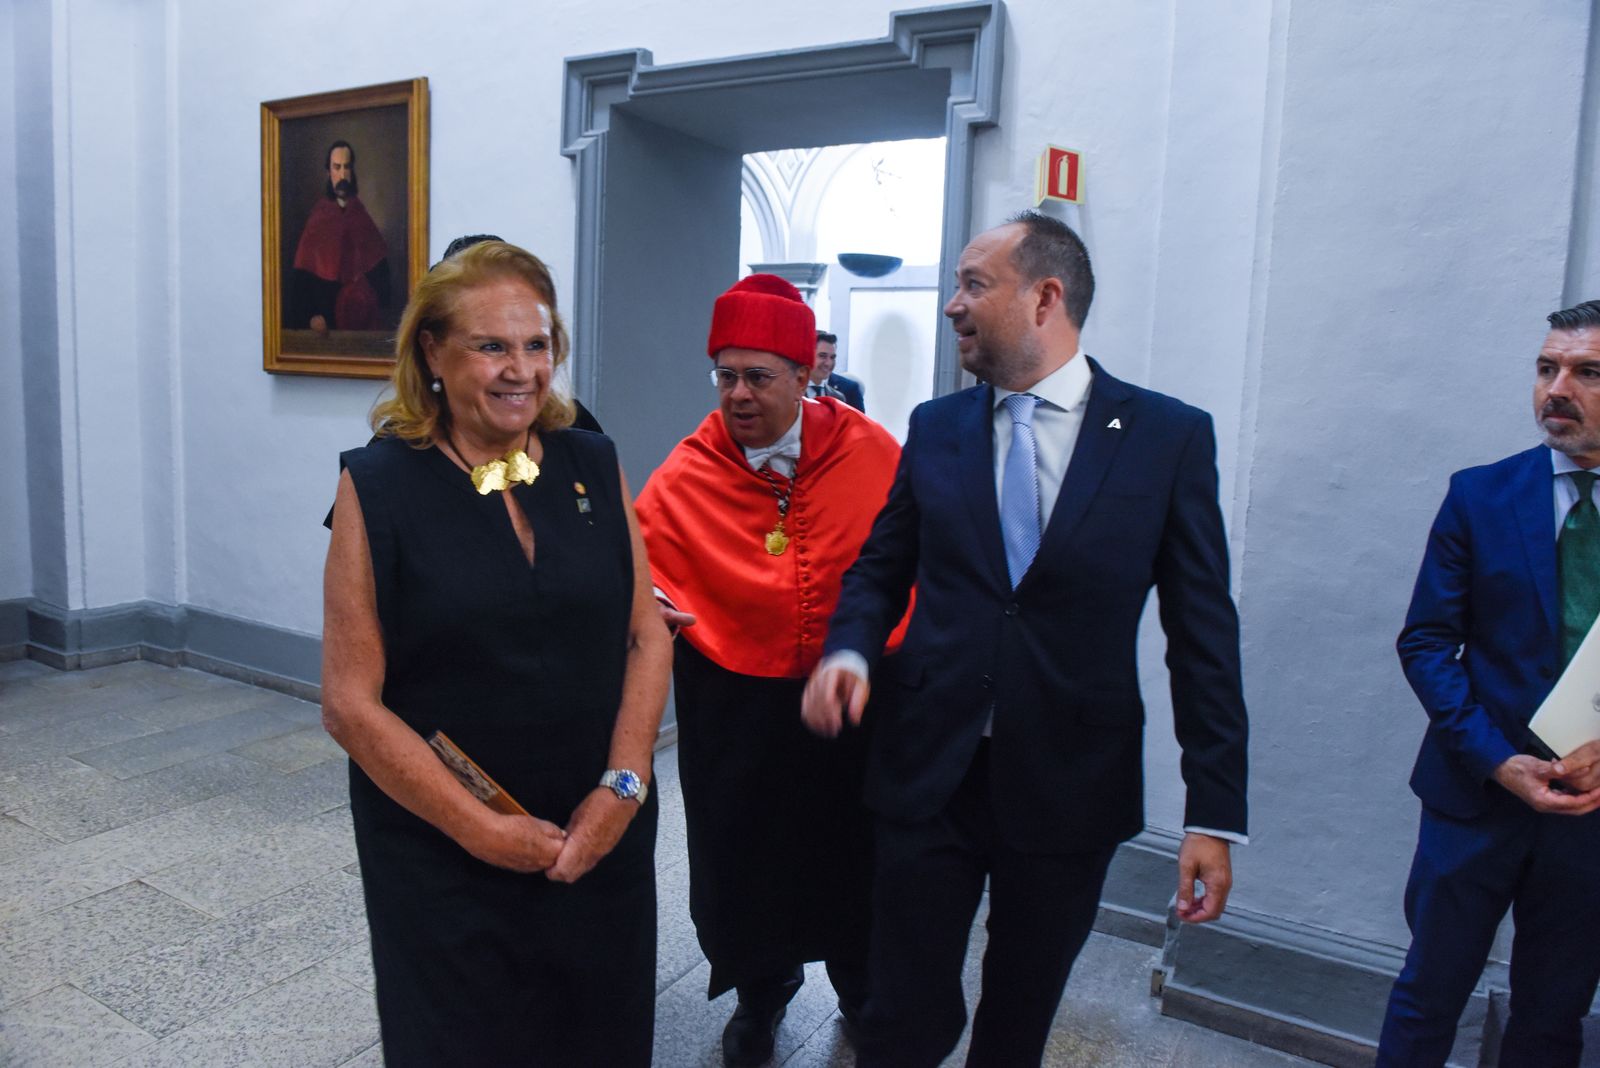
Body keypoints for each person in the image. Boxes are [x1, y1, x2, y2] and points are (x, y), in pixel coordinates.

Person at [803, 210, 1249, 1067]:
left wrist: (1213, 812)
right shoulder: (936, 428)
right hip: (928, 765)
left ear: (1046, 297)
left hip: (1070, 779)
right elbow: (880, 569)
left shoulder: (1165, 438)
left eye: (974, 283)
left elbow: (1203, 634)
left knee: (1020, 1011)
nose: (951, 306)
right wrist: (850, 650)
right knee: (900, 1009)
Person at [321, 239, 670, 1065]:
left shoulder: (591, 459)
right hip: (446, 857)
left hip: (600, 836)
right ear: (433, 354)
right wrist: (480, 830)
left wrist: (624, 787)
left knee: (600, 1038)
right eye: (492, 346)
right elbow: (350, 702)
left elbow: (647, 632)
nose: (522, 370)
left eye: (537, 344)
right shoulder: (377, 486)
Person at [634, 275, 908, 1066]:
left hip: (850, 698)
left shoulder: (870, 450)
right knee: (742, 856)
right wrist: (648, 597)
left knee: (854, 849)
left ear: (803, 376)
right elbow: (639, 563)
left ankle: (860, 989)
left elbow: (911, 561)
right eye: (726, 376)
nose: (739, 395)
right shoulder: (690, 466)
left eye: (759, 377)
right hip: (736, 702)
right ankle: (761, 995)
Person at [1375, 300, 1600, 1067]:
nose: (1556, 389)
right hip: (1475, 798)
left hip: (1592, 816)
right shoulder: (1479, 495)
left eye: (1586, 372)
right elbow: (1428, 643)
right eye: (1546, 369)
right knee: (1427, 996)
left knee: (1552, 1016)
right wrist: (1498, 760)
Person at [291, 139, 391, 333]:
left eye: (347, 167)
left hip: (360, 326)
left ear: (352, 171)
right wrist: (311, 317)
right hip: (325, 325)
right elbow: (301, 281)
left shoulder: (362, 217)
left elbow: (382, 281)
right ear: (329, 172)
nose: (342, 174)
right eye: (337, 168)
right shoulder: (318, 218)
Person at [808, 330, 865, 411]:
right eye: (822, 356)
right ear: (807, 354)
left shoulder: (849, 390)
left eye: (832, 357)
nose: (828, 363)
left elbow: (859, 423)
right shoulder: (791, 388)